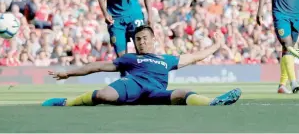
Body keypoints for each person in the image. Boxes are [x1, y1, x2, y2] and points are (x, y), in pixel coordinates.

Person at [42, 25, 241, 107]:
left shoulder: (166, 59)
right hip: (132, 84)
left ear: (153, 39)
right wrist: (68, 73)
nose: (141, 42)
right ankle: (65, 102)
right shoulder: (130, 58)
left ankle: (213, 103)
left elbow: (195, 56)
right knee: (104, 95)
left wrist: (216, 45)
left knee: (183, 92)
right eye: (138, 39)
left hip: (154, 92)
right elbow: (96, 66)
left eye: (145, 39)